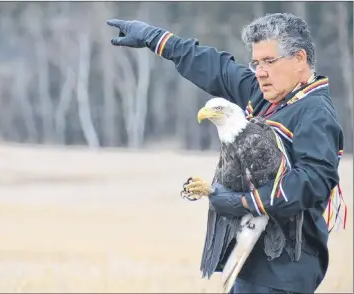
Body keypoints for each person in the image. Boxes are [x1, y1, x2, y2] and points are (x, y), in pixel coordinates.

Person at [107, 13, 345, 294]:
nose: (260, 71)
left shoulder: (315, 113)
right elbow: (215, 67)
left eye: (269, 61)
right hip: (250, 263)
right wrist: (154, 38)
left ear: (300, 59)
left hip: (284, 273)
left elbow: (313, 182)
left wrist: (243, 202)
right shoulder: (265, 96)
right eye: (256, 63)